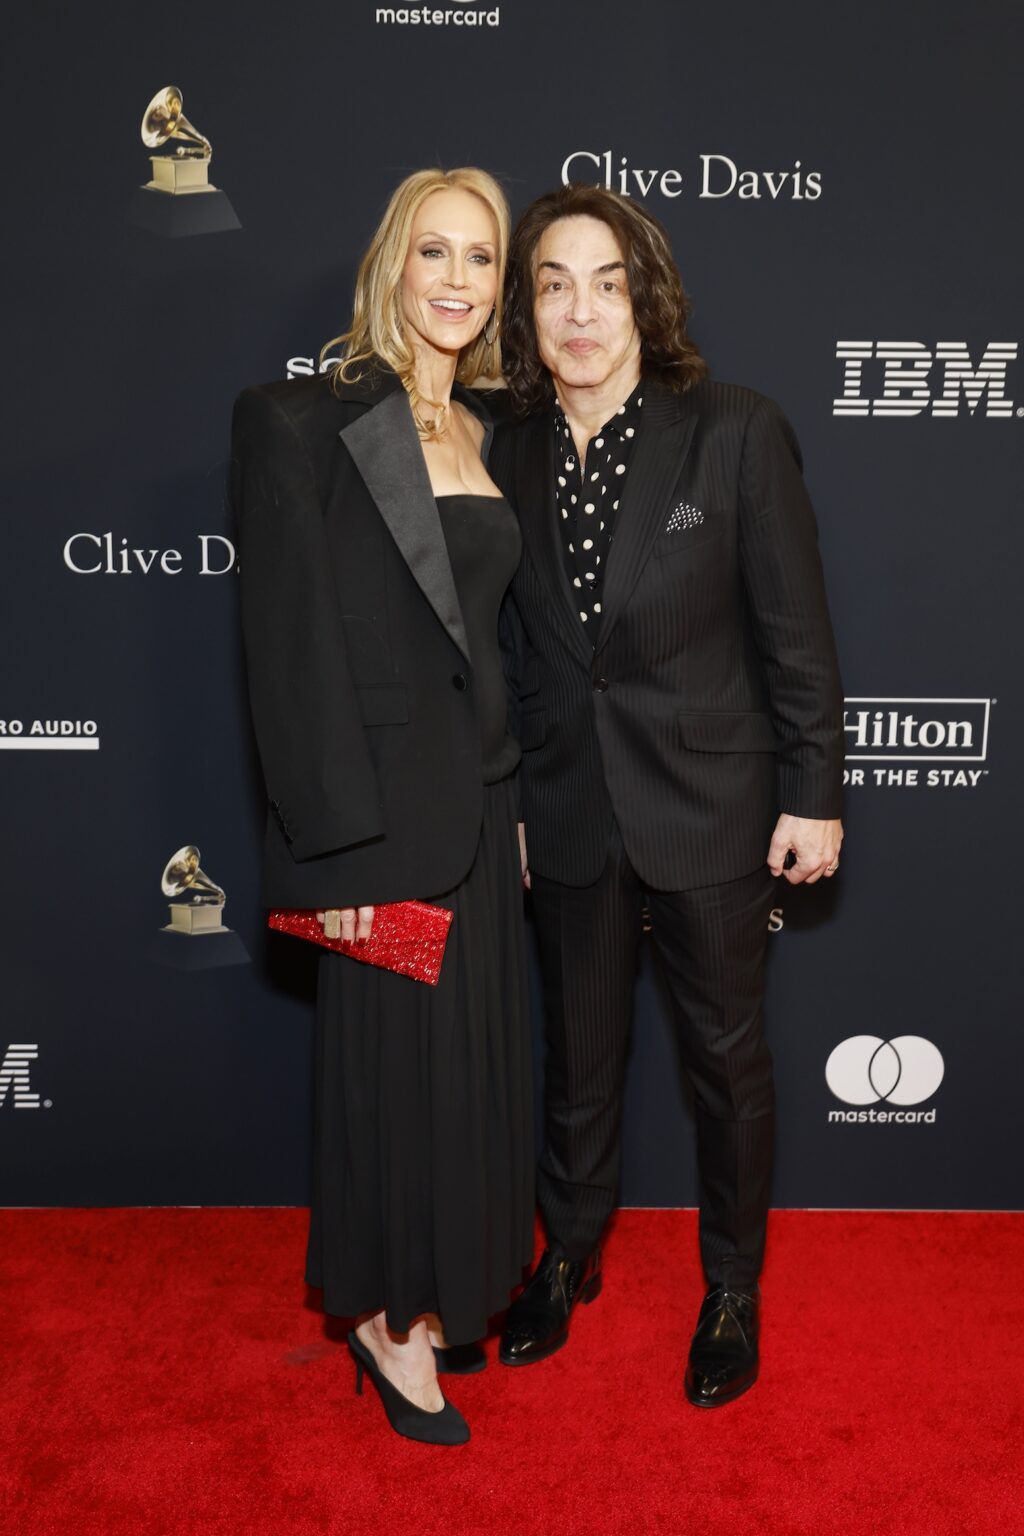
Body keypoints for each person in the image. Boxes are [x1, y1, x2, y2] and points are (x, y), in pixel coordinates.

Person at [490, 184, 844, 1407]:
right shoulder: (504, 448)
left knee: (727, 1066)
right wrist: (517, 801)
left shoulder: (733, 429)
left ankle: (732, 1287)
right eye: (553, 285)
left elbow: (794, 630)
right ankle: (568, 1254)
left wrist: (813, 790)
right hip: (568, 806)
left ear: (645, 298)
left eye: (606, 283)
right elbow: (516, 652)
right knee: (576, 1062)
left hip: (710, 805)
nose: (580, 311)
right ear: (526, 310)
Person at [231, 168, 534, 1445]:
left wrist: (519, 806)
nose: (457, 280)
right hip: (379, 832)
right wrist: (335, 854)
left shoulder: (487, 430)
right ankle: (387, 1324)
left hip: (484, 816)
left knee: (472, 1087)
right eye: (434, 252)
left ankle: (445, 1294)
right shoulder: (299, 420)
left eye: (481, 258)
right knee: (397, 1090)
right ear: (390, 266)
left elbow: (491, 645)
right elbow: (289, 657)